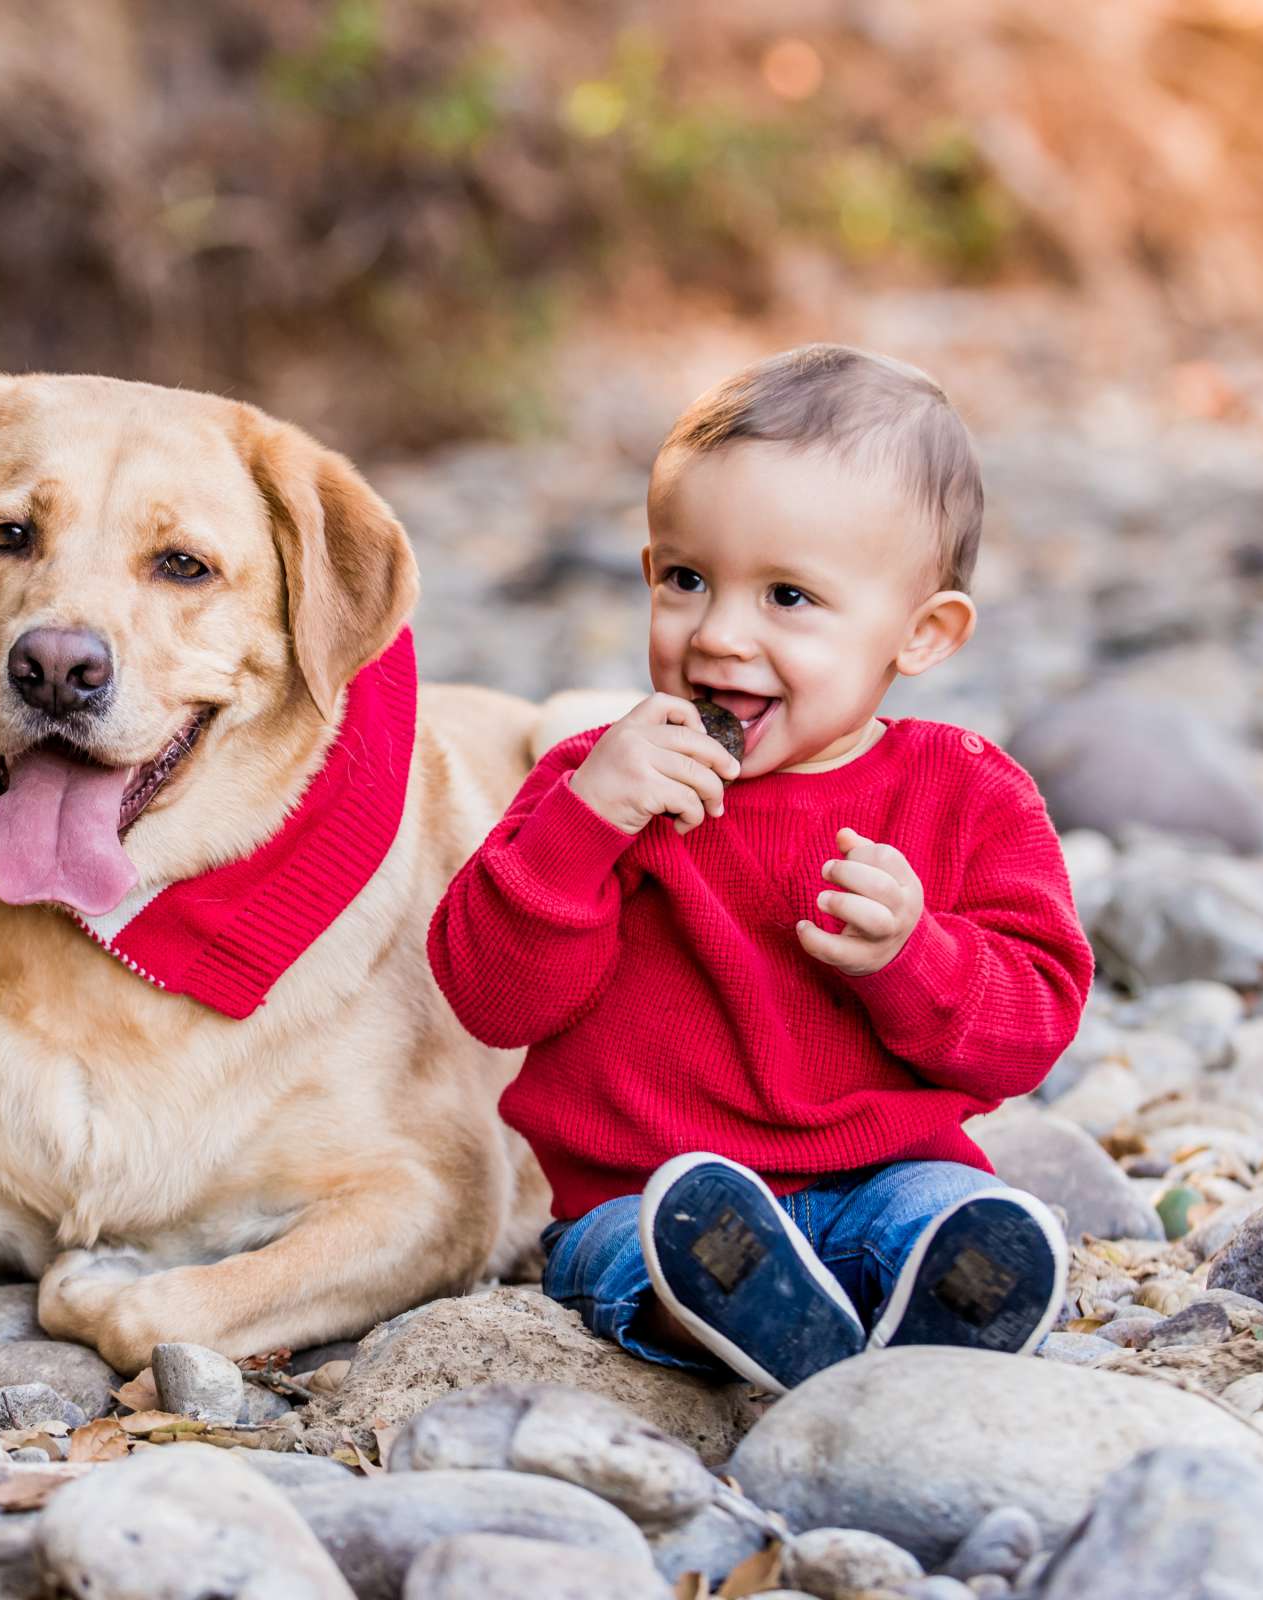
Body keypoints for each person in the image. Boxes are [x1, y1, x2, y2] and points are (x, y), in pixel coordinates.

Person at [427, 343, 1095, 1392]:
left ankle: (948, 1298)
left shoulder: (964, 793)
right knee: (634, 1255)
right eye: (688, 579)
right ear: (650, 573)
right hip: (646, 1191)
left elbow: (1029, 1030)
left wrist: (916, 956)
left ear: (920, 633)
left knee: (940, 1215)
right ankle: (752, 1316)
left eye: (788, 597)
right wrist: (585, 823)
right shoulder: (603, 781)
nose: (721, 634)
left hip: (881, 1173)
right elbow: (492, 995)